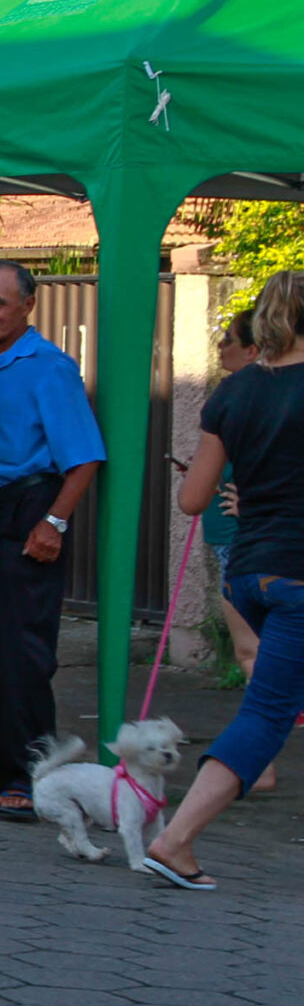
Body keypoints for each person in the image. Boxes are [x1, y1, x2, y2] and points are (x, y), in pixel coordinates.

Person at [143, 270, 304, 888]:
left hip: (252, 572)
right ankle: (176, 840)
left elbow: (191, 500)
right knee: (266, 715)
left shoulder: (233, 395)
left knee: (273, 699)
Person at [0, 260, 103, 818]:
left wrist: (55, 522)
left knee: (21, 653)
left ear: (28, 305)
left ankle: (36, 775)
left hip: (29, 508)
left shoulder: (49, 366)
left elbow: (85, 456)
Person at [198, 311, 278, 794]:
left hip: (250, 543)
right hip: (240, 536)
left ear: (253, 349)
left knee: (252, 653)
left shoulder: (244, 397)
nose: (219, 350)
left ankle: (257, 763)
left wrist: (250, 497)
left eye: (227, 341)